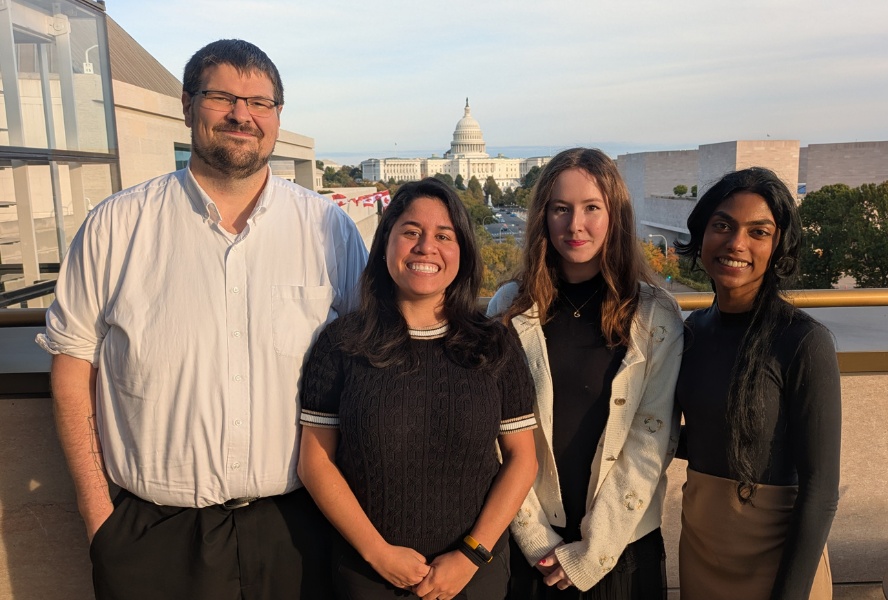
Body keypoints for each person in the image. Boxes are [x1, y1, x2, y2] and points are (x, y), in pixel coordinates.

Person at [36, 39, 368, 599]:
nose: (243, 116)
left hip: (298, 532)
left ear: (278, 118)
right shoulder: (116, 226)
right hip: (152, 538)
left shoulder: (327, 229)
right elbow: (73, 369)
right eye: (222, 98)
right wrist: (99, 517)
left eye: (260, 103)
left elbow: (370, 364)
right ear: (187, 107)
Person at [298, 177, 539, 600]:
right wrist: (378, 553)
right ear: (386, 243)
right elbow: (315, 462)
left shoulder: (494, 342)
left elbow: (522, 459)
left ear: (461, 252)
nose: (426, 247)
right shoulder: (342, 343)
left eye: (444, 236)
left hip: (471, 578)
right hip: (367, 575)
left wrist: (470, 556)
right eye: (411, 232)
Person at [487, 147, 683, 598]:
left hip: (624, 549)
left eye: (592, 208)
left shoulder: (656, 317)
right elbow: (495, 437)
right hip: (530, 551)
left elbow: (652, 439)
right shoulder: (510, 309)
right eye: (561, 208)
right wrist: (537, 540)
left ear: (615, 215)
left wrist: (592, 553)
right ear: (543, 216)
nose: (575, 225)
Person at [673, 167, 841, 599]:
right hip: (701, 544)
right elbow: (706, 435)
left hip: (778, 558)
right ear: (702, 233)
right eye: (723, 225)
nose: (736, 243)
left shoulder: (803, 341)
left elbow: (821, 490)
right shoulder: (691, 332)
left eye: (758, 232)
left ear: (778, 246)